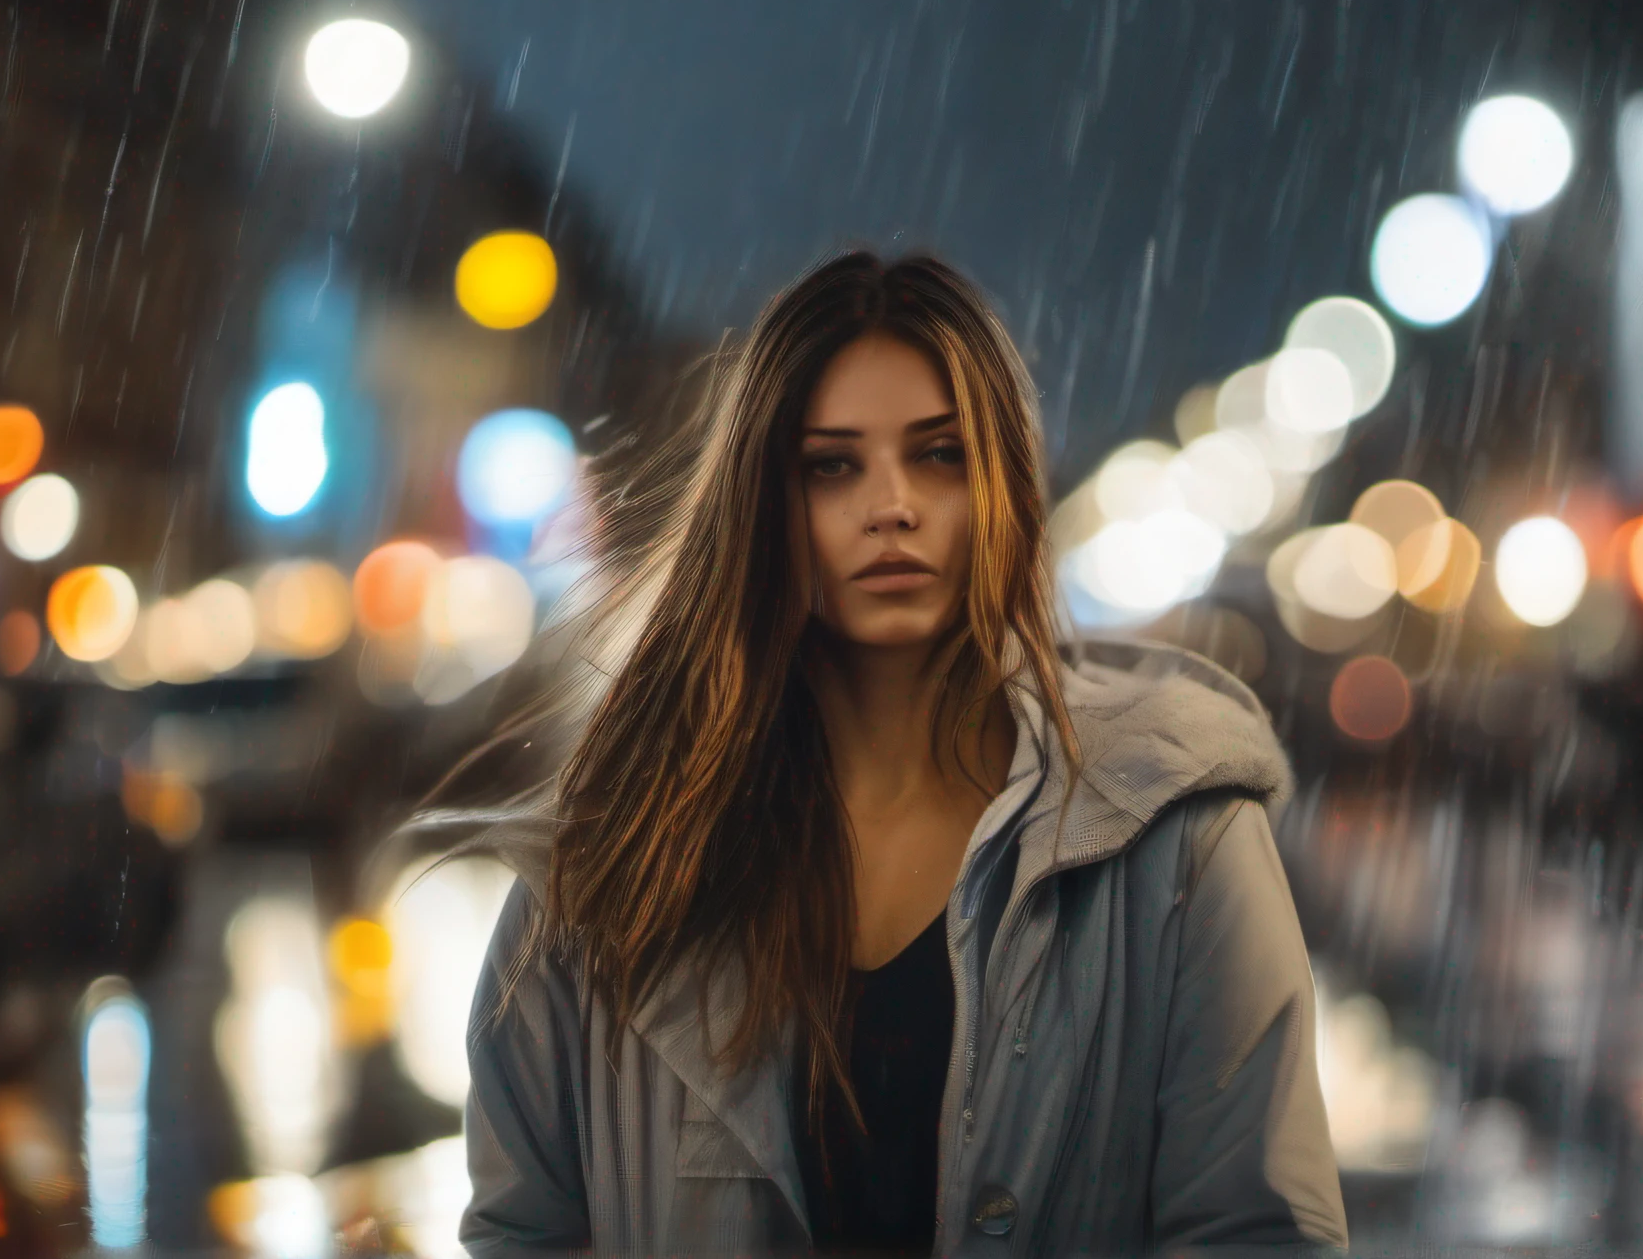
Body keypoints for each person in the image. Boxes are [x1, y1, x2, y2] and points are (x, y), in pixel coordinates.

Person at [458, 251, 1347, 1256]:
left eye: (939, 455)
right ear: (762, 502)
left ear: (1003, 484)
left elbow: (1257, 1234)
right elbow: (522, 1231)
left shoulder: (1179, 839)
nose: (892, 505)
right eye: (831, 465)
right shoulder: (613, 867)